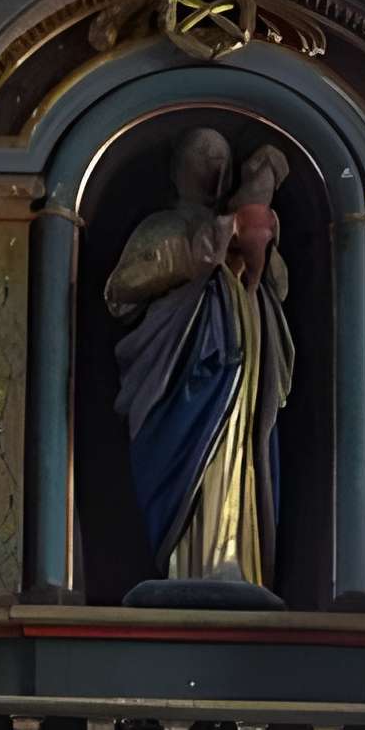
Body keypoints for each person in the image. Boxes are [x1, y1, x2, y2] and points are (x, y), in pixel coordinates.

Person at [104, 127, 294, 589]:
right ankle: (188, 563)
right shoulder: (164, 226)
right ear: (178, 168)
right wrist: (196, 254)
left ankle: (233, 558)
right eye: (203, 152)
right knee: (192, 459)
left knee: (236, 457)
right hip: (178, 379)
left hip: (239, 373)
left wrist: (257, 246)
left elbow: (280, 287)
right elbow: (120, 290)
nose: (215, 164)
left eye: (222, 155)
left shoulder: (235, 224)